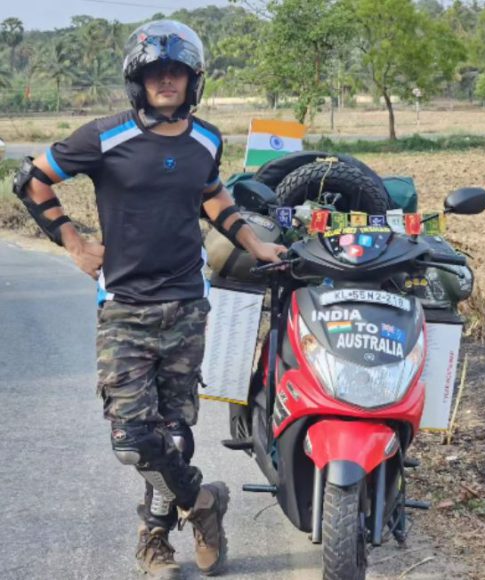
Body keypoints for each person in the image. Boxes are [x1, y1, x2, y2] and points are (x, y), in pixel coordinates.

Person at [10, 20, 286, 579]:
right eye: (156, 72)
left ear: (192, 80)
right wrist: (73, 240)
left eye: (177, 72)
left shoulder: (206, 138)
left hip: (186, 304)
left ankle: (155, 540)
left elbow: (211, 193)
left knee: (175, 434)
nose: (167, 80)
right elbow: (31, 180)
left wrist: (256, 242)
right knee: (133, 439)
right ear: (138, 80)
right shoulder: (103, 136)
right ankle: (203, 500)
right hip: (125, 308)